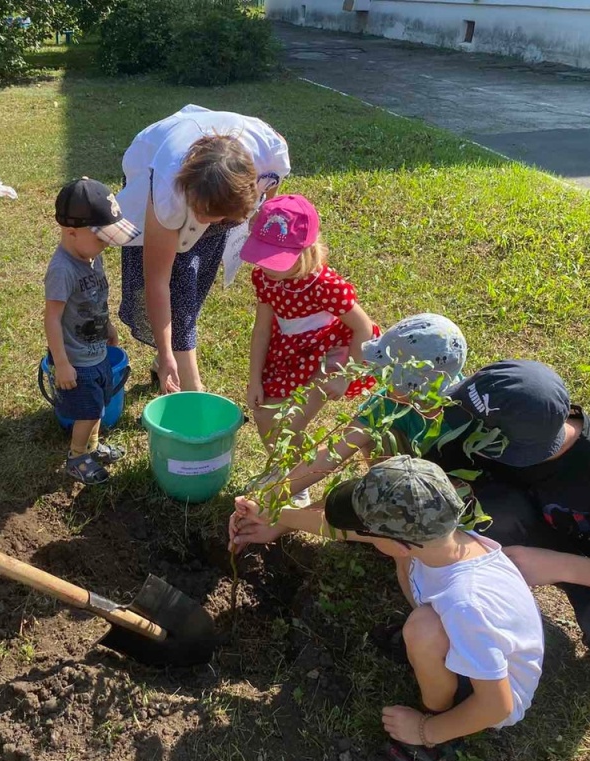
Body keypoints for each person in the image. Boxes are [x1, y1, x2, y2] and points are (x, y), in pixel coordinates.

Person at [230, 456, 544, 761]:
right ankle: (435, 655)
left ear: (399, 541)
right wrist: (273, 516)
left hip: (487, 696)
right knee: (413, 590)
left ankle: (438, 725)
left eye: (369, 533)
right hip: (470, 638)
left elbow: (496, 707)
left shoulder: (467, 604)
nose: (359, 535)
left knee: (422, 630)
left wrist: (426, 730)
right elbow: (347, 531)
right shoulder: (437, 534)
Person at [433, 360, 590, 702]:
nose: (461, 431)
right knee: (489, 510)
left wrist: (560, 565)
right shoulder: (484, 422)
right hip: (524, 523)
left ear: (514, 447)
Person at [117, 104, 291, 393]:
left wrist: (257, 217)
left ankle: (175, 368)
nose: (203, 224)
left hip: (218, 180)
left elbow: (271, 189)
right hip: (152, 160)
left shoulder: (270, 153)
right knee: (178, 283)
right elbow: (157, 281)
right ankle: (190, 385)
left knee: (192, 282)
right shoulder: (166, 188)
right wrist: (166, 351)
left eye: (217, 220)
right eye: (200, 214)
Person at [249, 313, 467, 505]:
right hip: (407, 471)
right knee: (373, 435)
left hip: (442, 494)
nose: (385, 381)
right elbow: (332, 454)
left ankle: (391, 501)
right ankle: (385, 485)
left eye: (390, 375)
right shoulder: (388, 403)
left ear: (417, 386)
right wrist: (269, 499)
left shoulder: (460, 416)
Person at [244, 194, 376, 507]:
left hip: (328, 355)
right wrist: (255, 380)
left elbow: (364, 328)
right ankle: (285, 469)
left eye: (275, 258)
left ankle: (295, 484)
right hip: (288, 352)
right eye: (263, 255)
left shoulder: (326, 286)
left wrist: (345, 376)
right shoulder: (265, 277)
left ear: (305, 251)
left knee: (290, 423)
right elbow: (262, 328)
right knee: (264, 415)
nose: (267, 266)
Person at [44, 177, 140, 484]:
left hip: (96, 350)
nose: (107, 246)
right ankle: (76, 456)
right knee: (87, 411)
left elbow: (96, 299)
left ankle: (93, 446)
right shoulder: (62, 270)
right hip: (76, 360)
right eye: (101, 239)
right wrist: (61, 362)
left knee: (98, 404)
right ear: (72, 232)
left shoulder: (91, 258)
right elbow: (52, 319)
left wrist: (108, 325)